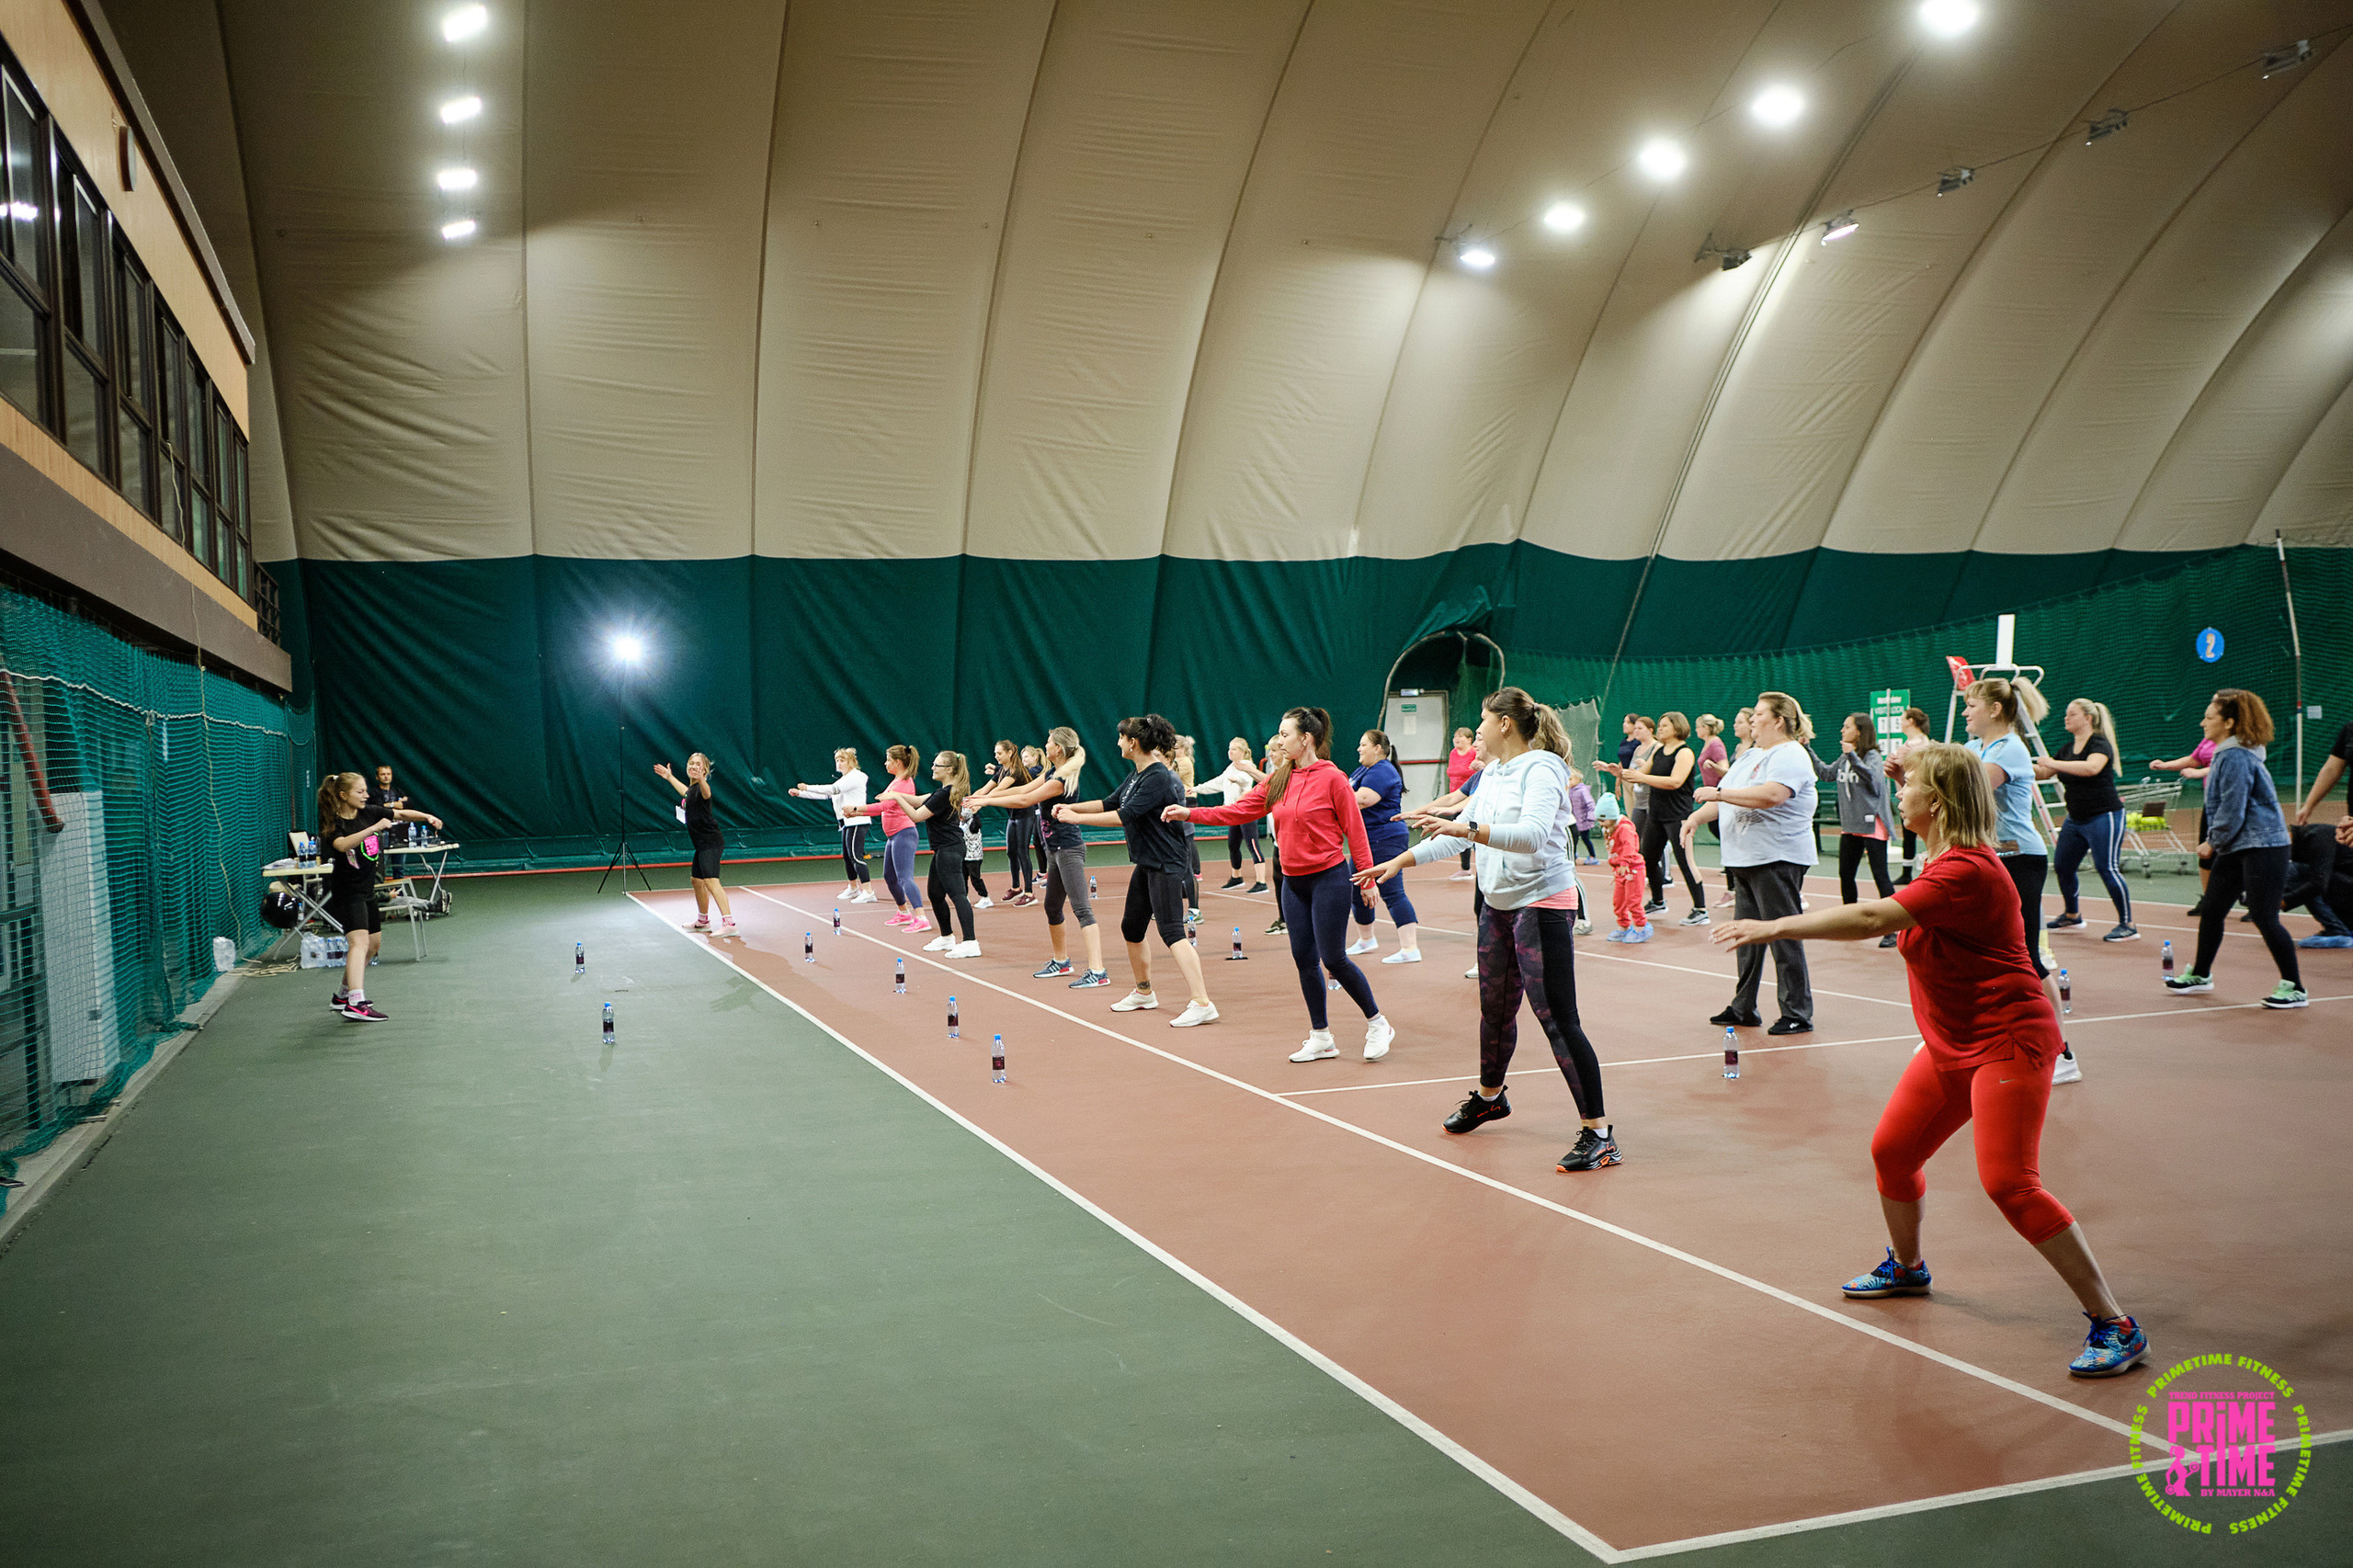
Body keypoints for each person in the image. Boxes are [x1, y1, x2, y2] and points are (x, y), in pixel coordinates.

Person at [1709, 742, 2148, 1380]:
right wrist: (1905, 766)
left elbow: (1868, 916)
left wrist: (1774, 926)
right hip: (1952, 1043)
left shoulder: (1966, 870)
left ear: (1935, 804)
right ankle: (1909, 1269)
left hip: (2008, 1042)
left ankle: (2116, 1323)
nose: (1899, 793)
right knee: (1892, 1153)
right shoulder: (1942, 854)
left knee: (2009, 1183)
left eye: (1909, 786)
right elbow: (1917, 797)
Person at [1363, 686, 1616, 1173]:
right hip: (1498, 906)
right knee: (1494, 1010)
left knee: (1557, 1018)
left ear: (1504, 723)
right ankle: (1490, 1097)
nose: (1476, 728)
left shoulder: (1542, 767)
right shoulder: (1492, 773)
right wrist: (1399, 861)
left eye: (1481, 719)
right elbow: (1456, 834)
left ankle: (1599, 1133)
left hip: (1541, 903)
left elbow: (1533, 835)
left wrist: (1465, 829)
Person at [1178, 707, 1388, 1058]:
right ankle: (1321, 1036)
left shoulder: (1333, 778)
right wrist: (1190, 813)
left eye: (1285, 734)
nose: (1279, 740)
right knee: (1304, 958)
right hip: (1294, 883)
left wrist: (1367, 878)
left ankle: (1378, 1023)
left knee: (1333, 958)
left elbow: (1355, 828)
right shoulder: (1279, 778)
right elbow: (1238, 811)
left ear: (1306, 739)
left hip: (1329, 878)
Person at [1059, 714, 1218, 1028]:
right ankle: (1144, 993)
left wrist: (1075, 819)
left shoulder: (1159, 777)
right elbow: (1109, 803)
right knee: (1132, 928)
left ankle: (1203, 1002)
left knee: (1172, 932)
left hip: (1167, 863)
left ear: (1133, 743)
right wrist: (1073, 807)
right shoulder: (1137, 775)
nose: (1117, 742)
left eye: (1121, 738)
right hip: (1147, 862)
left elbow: (1124, 815)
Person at [1960, 676, 2082, 1084]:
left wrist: (1925, 761)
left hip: (2019, 858)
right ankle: (1983, 1038)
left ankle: (2062, 1053)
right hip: (1991, 858)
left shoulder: (2010, 749)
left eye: (1970, 706)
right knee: (1980, 953)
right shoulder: (1976, 747)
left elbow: (1969, 790)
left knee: (2027, 957)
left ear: (1995, 709)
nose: (1964, 712)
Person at [1684, 691, 1817, 1034]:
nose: (1752, 719)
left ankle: (1796, 1012)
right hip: (1744, 860)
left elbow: (1772, 795)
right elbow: (1723, 799)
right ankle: (1744, 1007)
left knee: (1782, 933)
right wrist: (1696, 818)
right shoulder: (1749, 757)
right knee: (1746, 936)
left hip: (1776, 858)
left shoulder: (1790, 755)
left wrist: (1719, 795)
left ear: (1778, 720)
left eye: (1759, 714)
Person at [2168, 689, 2305, 1008]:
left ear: (2229, 723)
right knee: (2213, 909)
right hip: (2238, 844)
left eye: (2209, 716)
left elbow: (2233, 808)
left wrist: (2211, 842)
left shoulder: (2235, 756)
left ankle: (2296, 988)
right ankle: (2201, 974)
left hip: (2264, 845)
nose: (2203, 722)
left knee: (2264, 915)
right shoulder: (2227, 752)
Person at [315, 770, 442, 1021]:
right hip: (347, 891)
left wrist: (428, 817)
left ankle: (342, 996)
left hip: (366, 890)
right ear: (343, 795)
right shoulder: (333, 821)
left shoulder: (370, 812)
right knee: (359, 944)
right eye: (359, 791)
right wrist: (373, 828)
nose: (365, 795)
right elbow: (341, 845)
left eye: (365, 790)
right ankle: (356, 1003)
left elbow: (403, 813)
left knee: (372, 946)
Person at [992, 727, 1110, 988]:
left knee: (1082, 910)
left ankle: (1098, 971)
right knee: (1052, 906)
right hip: (1054, 850)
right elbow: (1021, 790)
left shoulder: (1060, 781)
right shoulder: (1051, 773)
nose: (1045, 745)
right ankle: (1061, 961)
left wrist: (985, 802)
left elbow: (1024, 800)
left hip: (1069, 850)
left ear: (1059, 748)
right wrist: (982, 797)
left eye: (1049, 742)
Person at [855, 750, 982, 959]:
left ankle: (970, 941)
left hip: (951, 849)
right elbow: (917, 800)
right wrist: (894, 795)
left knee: (958, 895)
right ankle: (947, 936)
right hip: (943, 849)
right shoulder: (940, 792)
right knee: (935, 894)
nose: (932, 767)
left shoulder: (944, 794)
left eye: (937, 765)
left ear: (949, 769)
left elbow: (916, 815)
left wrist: (895, 797)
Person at [2036, 699, 2134, 941]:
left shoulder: (2099, 744)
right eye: (2066, 714)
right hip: (2076, 819)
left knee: (2107, 867)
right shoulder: (2067, 748)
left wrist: (2053, 763)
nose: (2066, 718)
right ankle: (2072, 915)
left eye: (2072, 714)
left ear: (2088, 718)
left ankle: (2128, 924)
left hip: (2104, 816)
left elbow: (2092, 768)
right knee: (2062, 866)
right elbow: (2044, 773)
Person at [1604, 710, 1702, 925]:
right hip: (1657, 814)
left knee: (1686, 861)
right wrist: (1619, 774)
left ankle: (1700, 909)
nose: (1660, 728)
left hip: (1678, 815)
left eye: (1665, 725)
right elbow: (1642, 776)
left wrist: (1641, 776)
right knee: (1647, 858)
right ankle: (1658, 901)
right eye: (1659, 725)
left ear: (1677, 728)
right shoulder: (1659, 751)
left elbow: (1675, 781)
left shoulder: (1684, 753)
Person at [1818, 713, 1896, 949]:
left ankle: (1892, 928)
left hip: (1872, 823)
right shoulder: (1845, 758)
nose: (1842, 730)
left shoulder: (1872, 756)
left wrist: (1851, 754)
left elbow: (1872, 779)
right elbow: (1826, 774)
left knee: (1881, 877)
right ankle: (1850, 923)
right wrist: (1807, 749)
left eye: (1846, 726)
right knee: (1846, 875)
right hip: (1851, 826)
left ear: (1859, 732)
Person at [1345, 729, 1423, 963]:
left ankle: (1410, 949)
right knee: (1357, 888)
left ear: (1378, 748)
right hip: (1366, 839)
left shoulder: (1383, 771)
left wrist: (1334, 795)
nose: (1359, 748)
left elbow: (1363, 799)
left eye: (1363, 744)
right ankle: (1367, 940)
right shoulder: (1365, 770)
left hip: (1385, 838)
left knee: (1392, 891)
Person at [655, 753, 735, 933]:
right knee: (696, 880)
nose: (693, 766)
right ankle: (703, 921)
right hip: (700, 844)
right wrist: (669, 777)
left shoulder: (702, 788)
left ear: (704, 769)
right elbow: (685, 791)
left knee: (711, 881)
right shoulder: (692, 790)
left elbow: (707, 793)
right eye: (691, 763)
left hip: (711, 842)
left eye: (698, 764)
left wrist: (702, 780)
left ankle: (729, 924)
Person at [792, 748, 874, 903]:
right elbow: (827, 794)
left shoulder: (856, 777)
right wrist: (801, 793)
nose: (839, 763)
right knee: (847, 857)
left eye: (842, 760)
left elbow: (832, 789)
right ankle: (853, 888)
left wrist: (808, 787)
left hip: (857, 821)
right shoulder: (843, 780)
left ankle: (868, 891)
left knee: (856, 856)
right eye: (837, 760)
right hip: (846, 823)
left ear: (851, 762)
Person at [861, 744, 927, 933]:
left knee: (905, 878)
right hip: (893, 837)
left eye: (888, 759)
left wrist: (857, 809)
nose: (885, 763)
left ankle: (921, 918)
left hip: (904, 834)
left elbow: (883, 806)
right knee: (890, 877)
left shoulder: (904, 783)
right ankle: (904, 913)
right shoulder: (896, 781)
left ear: (898, 762)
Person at [2150, 731, 2218, 915]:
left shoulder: (2239, 740)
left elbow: (2226, 765)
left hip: (2233, 802)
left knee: (2240, 854)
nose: (2203, 723)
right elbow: (2192, 760)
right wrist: (2164, 766)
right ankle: (2209, 900)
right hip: (2211, 802)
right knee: (2205, 854)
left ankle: (2254, 902)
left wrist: (2199, 773)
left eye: (2210, 716)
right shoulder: (2209, 738)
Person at [1197, 737, 1268, 892]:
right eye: (1229, 748)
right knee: (1233, 845)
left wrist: (1239, 780)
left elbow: (1247, 778)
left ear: (1243, 752)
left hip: (1247, 812)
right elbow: (1217, 783)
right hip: (1233, 812)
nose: (1231, 751)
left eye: (1234, 749)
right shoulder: (1230, 768)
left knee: (1253, 845)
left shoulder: (1248, 766)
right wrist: (1196, 789)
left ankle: (1261, 882)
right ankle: (1237, 878)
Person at [971, 741, 1037, 904]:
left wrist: (980, 803)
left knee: (1022, 852)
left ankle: (1029, 893)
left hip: (1025, 815)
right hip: (1012, 817)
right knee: (1011, 852)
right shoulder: (1001, 771)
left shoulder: (1016, 771)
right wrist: (968, 800)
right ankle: (1016, 888)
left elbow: (997, 792)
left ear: (1009, 753)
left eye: (999, 753)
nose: (996, 756)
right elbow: (985, 789)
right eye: (995, 753)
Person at [1892, 707, 1933, 884]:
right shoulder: (1908, 744)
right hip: (1905, 793)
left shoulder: (1920, 744)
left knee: (1926, 833)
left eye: (1902, 718)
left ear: (1910, 721)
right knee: (1908, 833)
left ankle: (1928, 867)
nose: (1900, 722)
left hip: (1919, 795)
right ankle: (1907, 870)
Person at [1600, 795, 1646, 943]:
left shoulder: (1624, 828)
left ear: (1612, 816)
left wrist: (1625, 863)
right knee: (1618, 901)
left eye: (1603, 820)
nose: (1601, 824)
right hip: (1620, 870)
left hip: (1632, 869)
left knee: (1633, 900)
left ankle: (1640, 927)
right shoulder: (1609, 829)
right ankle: (1624, 926)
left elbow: (1629, 846)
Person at [1447, 725, 1481, 879]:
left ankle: (1478, 867)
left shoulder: (1475, 753)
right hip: (1455, 799)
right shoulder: (1453, 753)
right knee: (1460, 832)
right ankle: (1465, 868)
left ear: (1469, 739)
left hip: (1471, 800)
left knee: (1472, 831)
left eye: (1460, 736)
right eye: (1455, 736)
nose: (1456, 739)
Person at [1567, 763, 1598, 864]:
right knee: (1573, 838)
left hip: (1584, 821)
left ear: (1578, 779)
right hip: (1574, 821)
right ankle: (1573, 855)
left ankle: (1592, 856)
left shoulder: (1582, 790)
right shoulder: (1569, 790)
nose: (1568, 782)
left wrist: (1590, 817)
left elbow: (1590, 803)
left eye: (1570, 779)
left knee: (1585, 839)